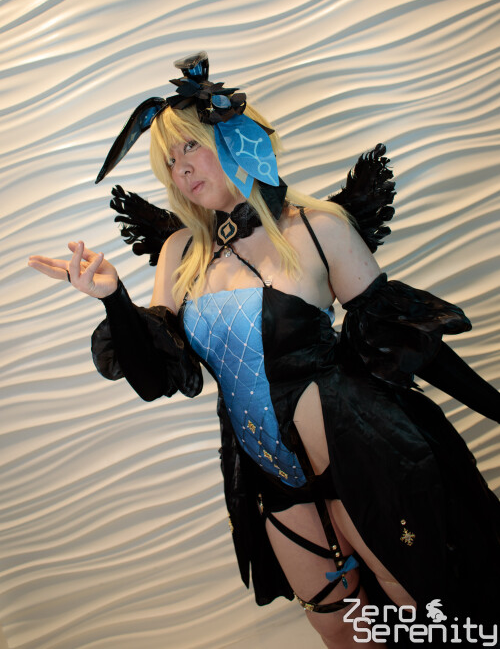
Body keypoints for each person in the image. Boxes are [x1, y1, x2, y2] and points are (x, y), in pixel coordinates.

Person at [28, 52, 500, 649]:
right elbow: (156, 376)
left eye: (190, 147)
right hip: (268, 474)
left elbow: (406, 338)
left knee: (419, 607)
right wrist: (114, 300)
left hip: (358, 452)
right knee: (340, 625)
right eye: (168, 160)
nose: (180, 168)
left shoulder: (319, 227)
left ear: (232, 137)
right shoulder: (181, 253)